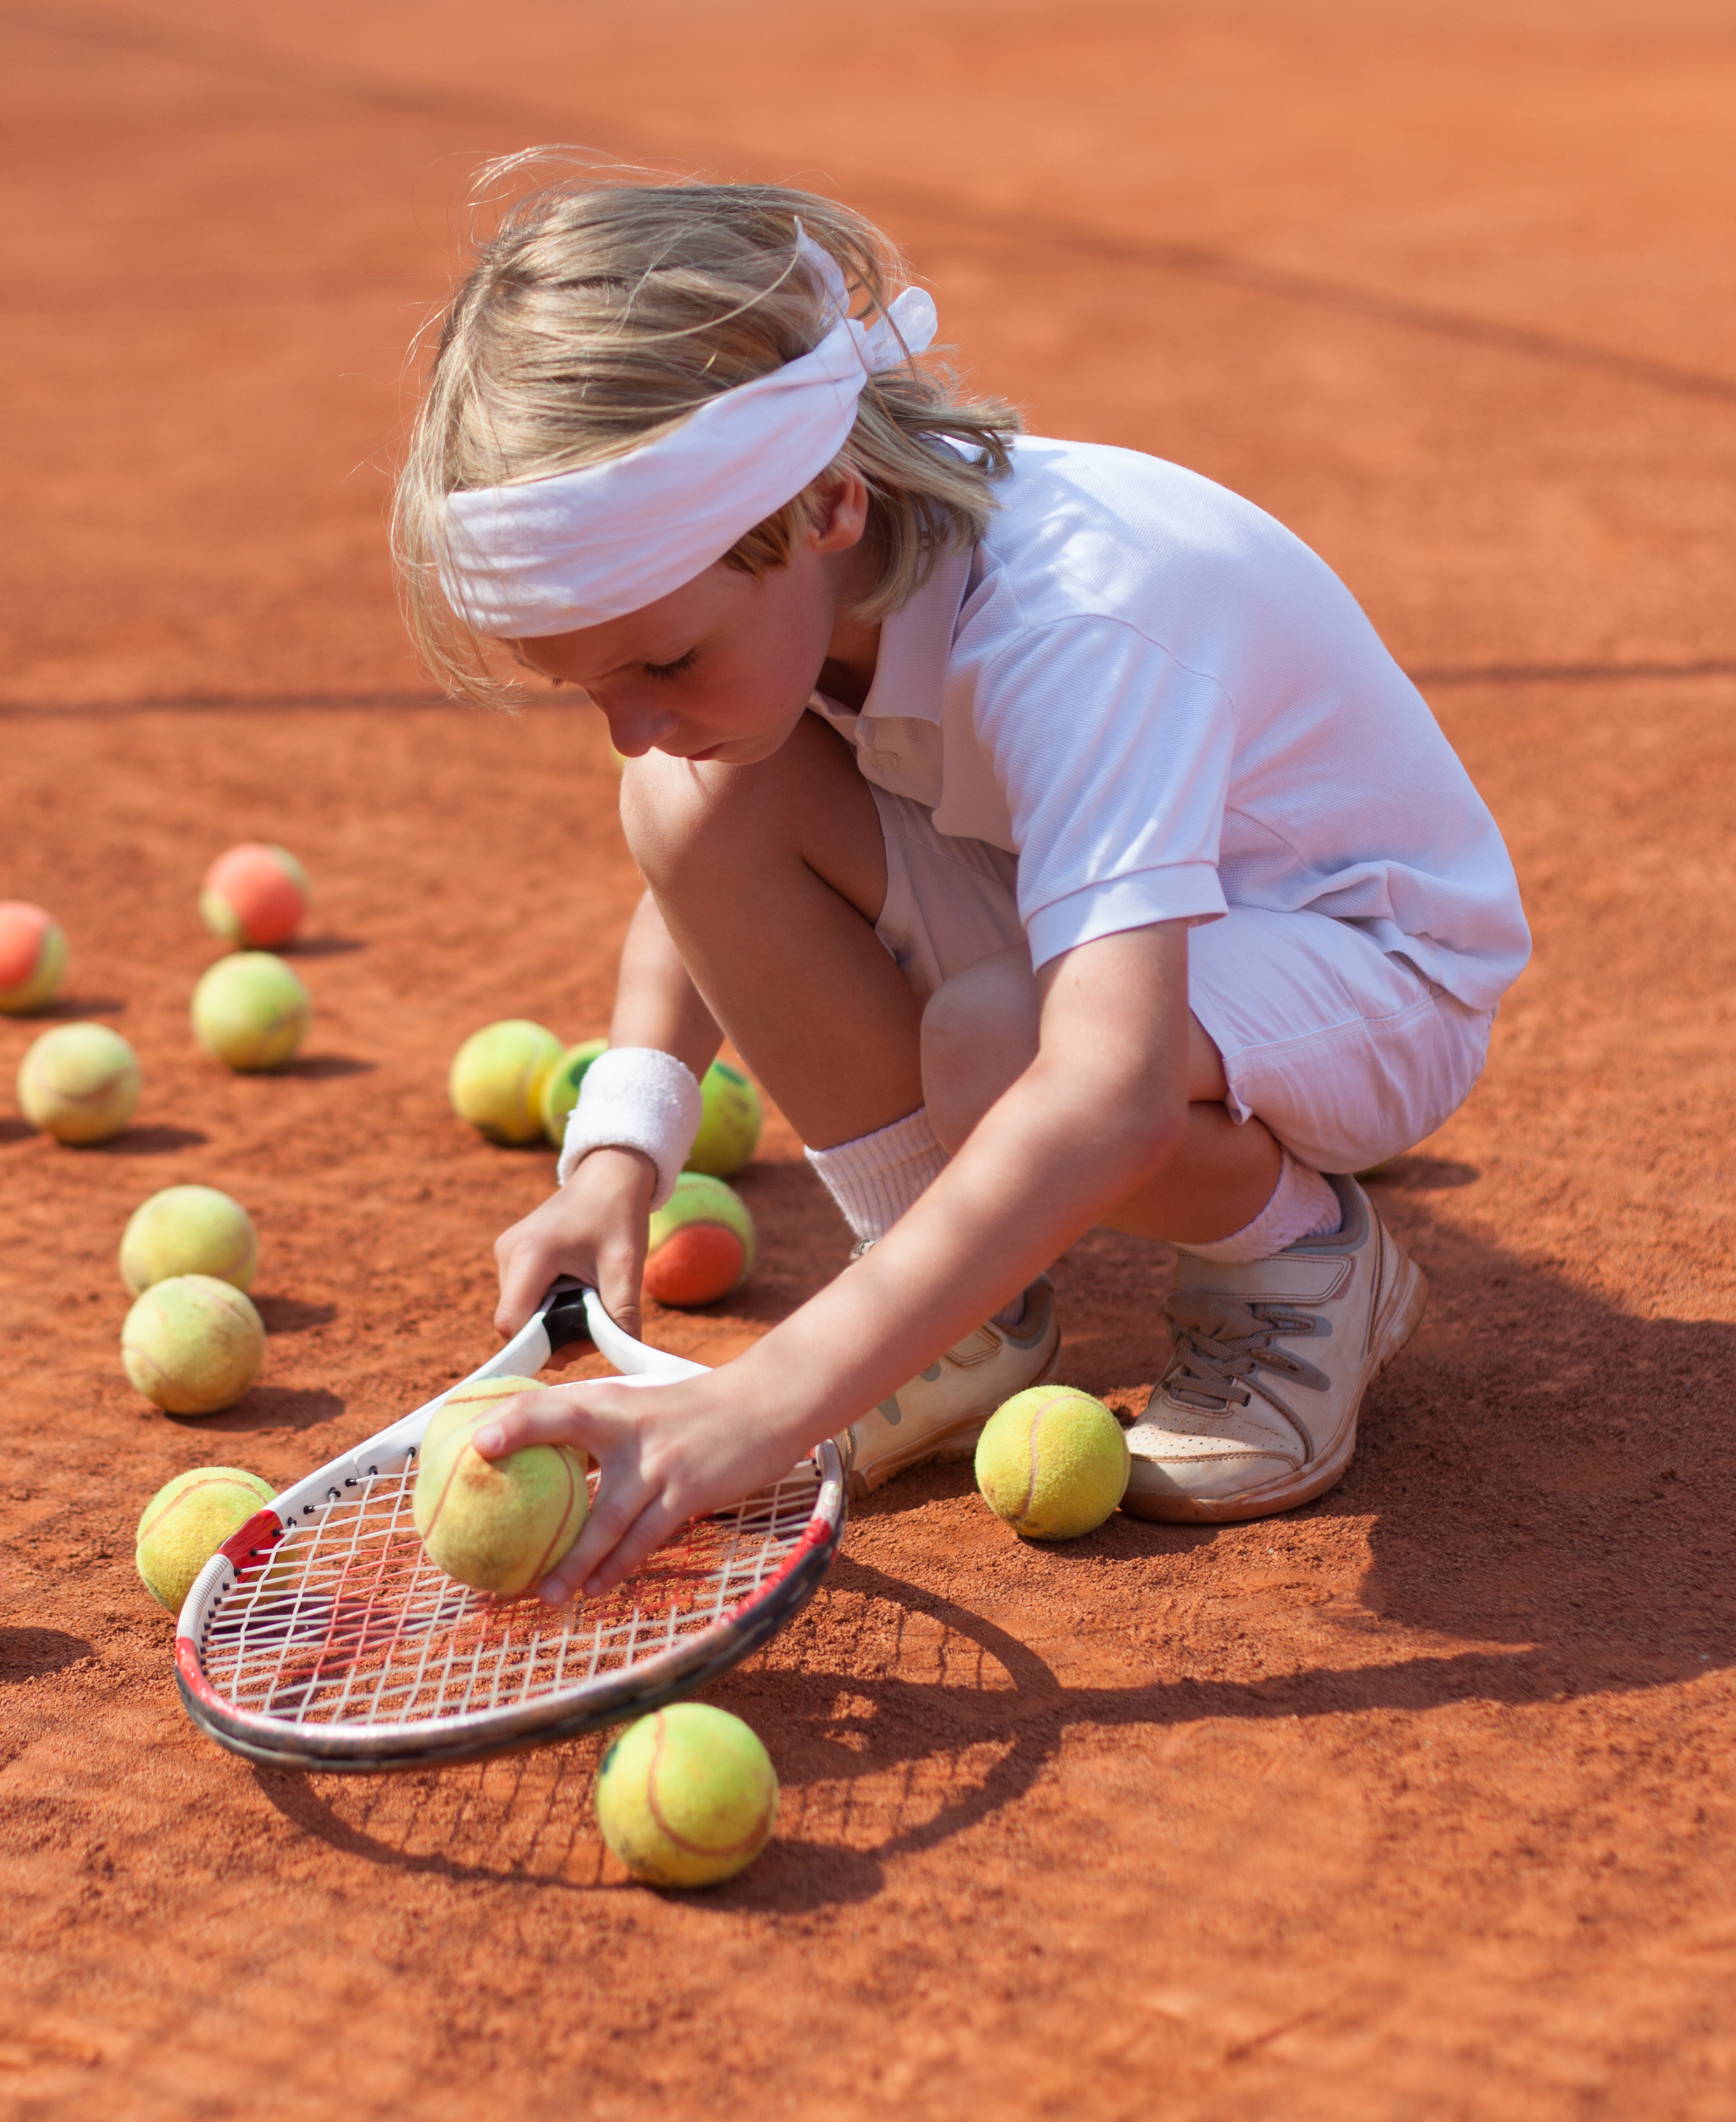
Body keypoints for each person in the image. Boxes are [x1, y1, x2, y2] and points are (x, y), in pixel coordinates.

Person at [391, 166, 1528, 1598]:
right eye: (586, 682)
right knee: (686, 803)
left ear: (825, 510)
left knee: (1008, 1045)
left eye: (662, 660)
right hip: (1125, 923)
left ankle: (1303, 1259)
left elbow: (1101, 1088)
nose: (626, 714)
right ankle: (950, 1319)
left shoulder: (1077, 618)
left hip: (1370, 965)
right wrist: (619, 1152)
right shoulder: (812, 598)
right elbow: (693, 873)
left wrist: (770, 1394)